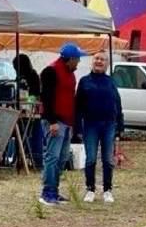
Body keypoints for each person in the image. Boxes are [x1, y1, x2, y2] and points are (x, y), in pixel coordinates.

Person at [75, 51, 124, 203]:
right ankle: (90, 189)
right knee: (90, 159)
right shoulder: (84, 81)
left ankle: (107, 190)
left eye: (102, 60)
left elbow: (118, 105)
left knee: (108, 159)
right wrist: (77, 128)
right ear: (92, 61)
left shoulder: (111, 82)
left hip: (109, 125)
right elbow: (78, 107)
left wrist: (119, 128)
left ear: (107, 64)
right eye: (96, 59)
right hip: (90, 125)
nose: (99, 62)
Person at [39, 43, 82, 206]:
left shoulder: (71, 74)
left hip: (67, 121)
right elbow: (46, 97)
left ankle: (54, 191)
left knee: (62, 158)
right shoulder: (51, 71)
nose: (78, 63)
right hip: (55, 121)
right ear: (70, 59)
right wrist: (52, 121)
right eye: (77, 59)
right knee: (52, 156)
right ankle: (47, 192)